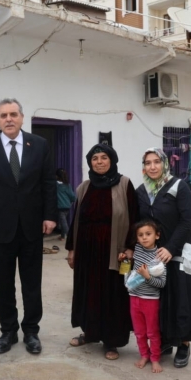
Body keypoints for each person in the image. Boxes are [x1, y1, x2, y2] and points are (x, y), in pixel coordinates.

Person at [0, 98, 57, 355]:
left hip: (32, 226)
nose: (8, 119)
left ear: (21, 117)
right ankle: (8, 331)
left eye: (13, 114)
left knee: (32, 282)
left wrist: (50, 215)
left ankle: (31, 331)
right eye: (3, 115)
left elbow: (48, 183)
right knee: (3, 282)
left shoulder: (39, 145)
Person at [135, 148, 191, 369]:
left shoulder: (179, 187)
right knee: (160, 297)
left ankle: (184, 345)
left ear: (164, 164)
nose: (152, 166)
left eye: (156, 162)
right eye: (147, 162)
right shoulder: (142, 191)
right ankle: (167, 339)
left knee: (182, 298)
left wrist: (170, 248)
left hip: (180, 250)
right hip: (155, 253)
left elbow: (186, 221)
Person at [66, 144, 137, 360]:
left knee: (111, 294)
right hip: (87, 250)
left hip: (113, 250)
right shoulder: (84, 187)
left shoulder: (124, 184)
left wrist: (130, 247)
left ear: (112, 160)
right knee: (88, 292)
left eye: (104, 157)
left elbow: (134, 218)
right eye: (94, 158)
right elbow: (75, 219)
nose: (99, 162)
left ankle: (111, 342)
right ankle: (90, 332)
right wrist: (72, 249)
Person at [119, 219, 167, 373]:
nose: (144, 237)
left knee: (152, 332)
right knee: (139, 332)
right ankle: (144, 355)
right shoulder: (137, 249)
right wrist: (124, 260)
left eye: (148, 234)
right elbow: (126, 270)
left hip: (151, 300)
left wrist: (147, 276)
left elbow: (162, 284)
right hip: (134, 297)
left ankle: (155, 358)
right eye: (140, 235)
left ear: (157, 236)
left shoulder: (160, 255)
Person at [56, 168, 76, 241]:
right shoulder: (67, 185)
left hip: (60, 206)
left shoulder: (55, 185)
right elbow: (72, 196)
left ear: (56, 176)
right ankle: (62, 236)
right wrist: (71, 202)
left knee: (63, 222)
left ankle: (69, 237)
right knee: (63, 221)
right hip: (67, 206)